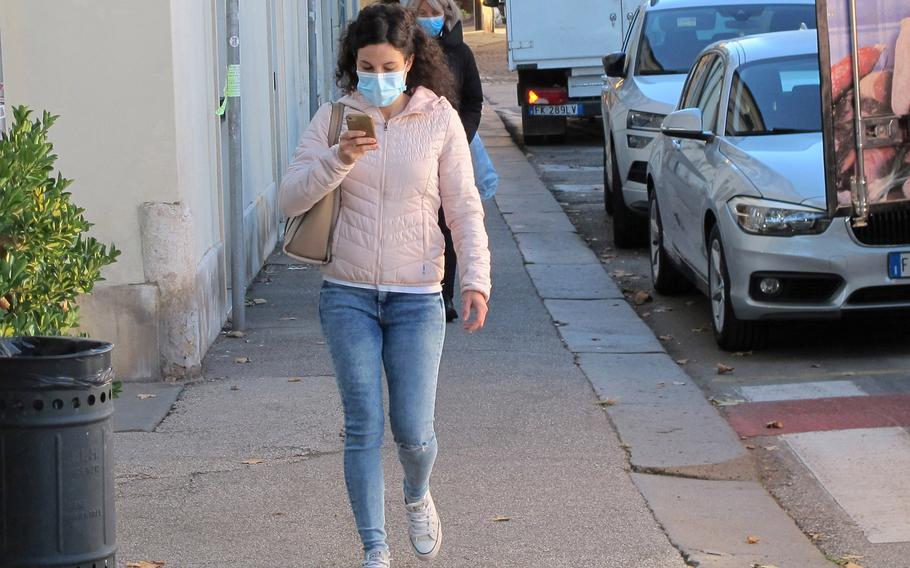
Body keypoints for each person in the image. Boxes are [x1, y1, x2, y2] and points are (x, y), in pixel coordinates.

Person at [277, 4, 491, 567]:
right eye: (366, 66)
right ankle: (375, 549)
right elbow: (290, 197)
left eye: (388, 65)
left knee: (414, 432)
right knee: (361, 425)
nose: (377, 77)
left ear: (411, 62)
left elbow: (464, 208)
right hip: (346, 293)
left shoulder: (439, 119)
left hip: (418, 296)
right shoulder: (333, 118)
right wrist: (338, 159)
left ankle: (418, 493)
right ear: (354, 65)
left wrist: (475, 280)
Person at [401, 0, 484, 323]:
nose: (428, 19)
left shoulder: (461, 54)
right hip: (412, 151)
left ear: (447, 15)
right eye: (421, 13)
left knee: (448, 223)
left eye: (433, 13)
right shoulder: (404, 54)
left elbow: (474, 100)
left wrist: (459, 136)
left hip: (450, 149)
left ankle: (444, 293)